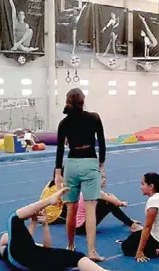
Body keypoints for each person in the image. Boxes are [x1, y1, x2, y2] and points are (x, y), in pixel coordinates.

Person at [0, 188, 111, 271]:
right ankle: (49, 200)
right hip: (26, 260)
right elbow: (29, 243)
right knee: (14, 218)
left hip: (31, 262)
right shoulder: (8, 244)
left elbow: (43, 247)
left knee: (14, 218)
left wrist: (42, 224)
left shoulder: (10, 249)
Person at [54, 87, 106, 261]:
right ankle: (92, 251)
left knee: (71, 209)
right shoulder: (94, 117)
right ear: (83, 101)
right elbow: (102, 143)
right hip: (90, 162)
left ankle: (70, 245)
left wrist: (58, 173)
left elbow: (60, 149)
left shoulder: (64, 123)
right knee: (90, 209)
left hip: (72, 165)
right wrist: (102, 167)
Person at [120, 173, 159, 262]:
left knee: (126, 247)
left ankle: (156, 252)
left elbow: (147, 228)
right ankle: (158, 249)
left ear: (151, 186)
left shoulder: (154, 202)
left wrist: (139, 252)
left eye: (142, 184)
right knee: (133, 236)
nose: (140, 187)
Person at [75, 175, 142, 235]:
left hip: (81, 227)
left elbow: (109, 196)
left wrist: (116, 201)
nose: (104, 180)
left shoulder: (90, 189)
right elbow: (116, 203)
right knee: (108, 203)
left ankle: (127, 221)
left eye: (104, 178)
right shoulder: (97, 192)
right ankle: (132, 225)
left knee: (107, 202)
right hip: (83, 228)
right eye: (101, 178)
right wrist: (121, 203)